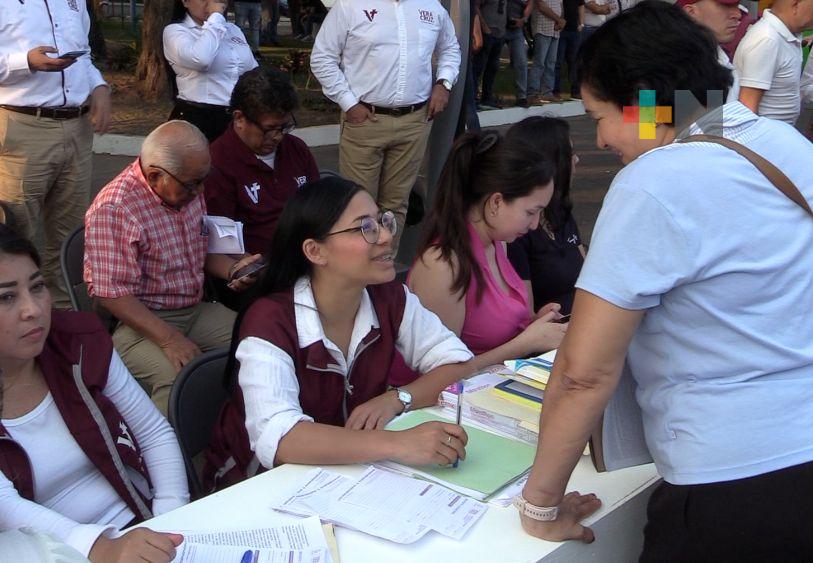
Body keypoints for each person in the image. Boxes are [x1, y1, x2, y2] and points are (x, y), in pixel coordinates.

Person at [516, 3, 813, 560]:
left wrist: (541, 504)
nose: (599, 140)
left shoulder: (654, 180)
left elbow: (584, 372)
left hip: (731, 486)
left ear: (647, 102)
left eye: (599, 116)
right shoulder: (787, 145)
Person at [203, 177, 474, 489]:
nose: (386, 236)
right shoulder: (270, 320)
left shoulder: (389, 298)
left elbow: (459, 364)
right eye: (364, 227)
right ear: (315, 251)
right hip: (258, 487)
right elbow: (281, 438)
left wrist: (397, 399)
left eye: (382, 221)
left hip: (347, 475)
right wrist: (398, 443)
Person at [0, 225, 190, 562]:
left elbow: (153, 432)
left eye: (37, 287)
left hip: (143, 526)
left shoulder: (76, 341)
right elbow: (5, 506)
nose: (33, 310)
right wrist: (101, 548)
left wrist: (170, 519)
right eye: (6, 297)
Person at [84, 121, 262, 416]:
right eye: (193, 184)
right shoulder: (115, 208)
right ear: (155, 175)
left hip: (192, 308)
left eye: (203, 179)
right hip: (138, 322)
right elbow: (111, 294)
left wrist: (234, 270)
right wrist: (170, 339)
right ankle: (159, 445)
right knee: (177, 377)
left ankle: (237, 429)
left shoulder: (183, 183)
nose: (200, 190)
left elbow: (197, 249)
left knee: (260, 340)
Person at [405, 131, 568, 373]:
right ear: (496, 202)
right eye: (531, 212)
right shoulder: (442, 267)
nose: (535, 225)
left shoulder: (497, 243)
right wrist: (527, 342)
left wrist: (535, 325)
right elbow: (438, 374)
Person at [310, 0, 462, 251]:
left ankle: (384, 264)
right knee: (357, 205)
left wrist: (444, 83)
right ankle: (358, 268)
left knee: (396, 205)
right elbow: (322, 58)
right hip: (365, 121)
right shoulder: (350, 6)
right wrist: (349, 103)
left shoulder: (431, 7)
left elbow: (450, 47)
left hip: (414, 121)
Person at [0, 0, 112, 309]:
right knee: (12, 234)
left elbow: (83, 55)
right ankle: (11, 318)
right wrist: (26, 61)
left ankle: (61, 314)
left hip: (77, 127)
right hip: (22, 125)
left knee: (69, 235)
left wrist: (99, 87)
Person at [206, 67, 319, 257]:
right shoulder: (218, 163)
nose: (278, 136)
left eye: (285, 127)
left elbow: (320, 207)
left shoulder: (296, 149)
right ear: (239, 119)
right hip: (259, 264)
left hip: (312, 254)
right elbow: (223, 245)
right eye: (270, 129)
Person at [506, 117, 586, 315]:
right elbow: (525, 318)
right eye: (569, 154)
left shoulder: (560, 210)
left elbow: (587, 276)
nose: (576, 159)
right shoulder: (516, 232)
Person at [163, 0, 258, 142]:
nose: (210, 3)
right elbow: (201, 59)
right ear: (185, 2)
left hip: (237, 117)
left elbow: (251, 69)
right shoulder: (176, 31)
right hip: (198, 117)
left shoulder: (232, 29)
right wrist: (216, 17)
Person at [734, 0, 813, 125]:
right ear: (796, 5)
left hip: (778, 130)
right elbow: (747, 107)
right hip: (763, 133)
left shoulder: (785, 35)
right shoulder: (767, 39)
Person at [678, 0, 742, 102]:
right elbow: (649, 113)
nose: (738, 15)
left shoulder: (719, 58)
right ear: (690, 12)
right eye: (725, 6)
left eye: (737, 5)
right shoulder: (665, 64)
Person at [528, 0, 566, 104]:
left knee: (551, 63)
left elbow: (560, 5)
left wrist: (561, 20)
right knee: (539, 63)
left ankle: (547, 93)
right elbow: (541, 5)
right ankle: (532, 93)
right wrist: (558, 19)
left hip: (555, 30)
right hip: (543, 27)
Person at [474, 0, 508, 109]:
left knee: (493, 67)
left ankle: (487, 97)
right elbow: (476, 6)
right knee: (478, 67)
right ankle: (473, 98)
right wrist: (484, 28)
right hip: (487, 32)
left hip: (500, 34)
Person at [505, 0, 535, 107]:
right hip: (501, 26)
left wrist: (524, 18)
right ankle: (485, 95)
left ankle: (522, 97)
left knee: (521, 62)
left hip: (517, 28)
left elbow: (530, 2)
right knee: (491, 62)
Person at [553, 0, 585, 99]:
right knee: (558, 62)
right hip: (561, 30)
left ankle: (575, 91)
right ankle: (555, 91)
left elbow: (581, 6)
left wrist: (581, 23)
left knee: (574, 62)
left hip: (575, 30)